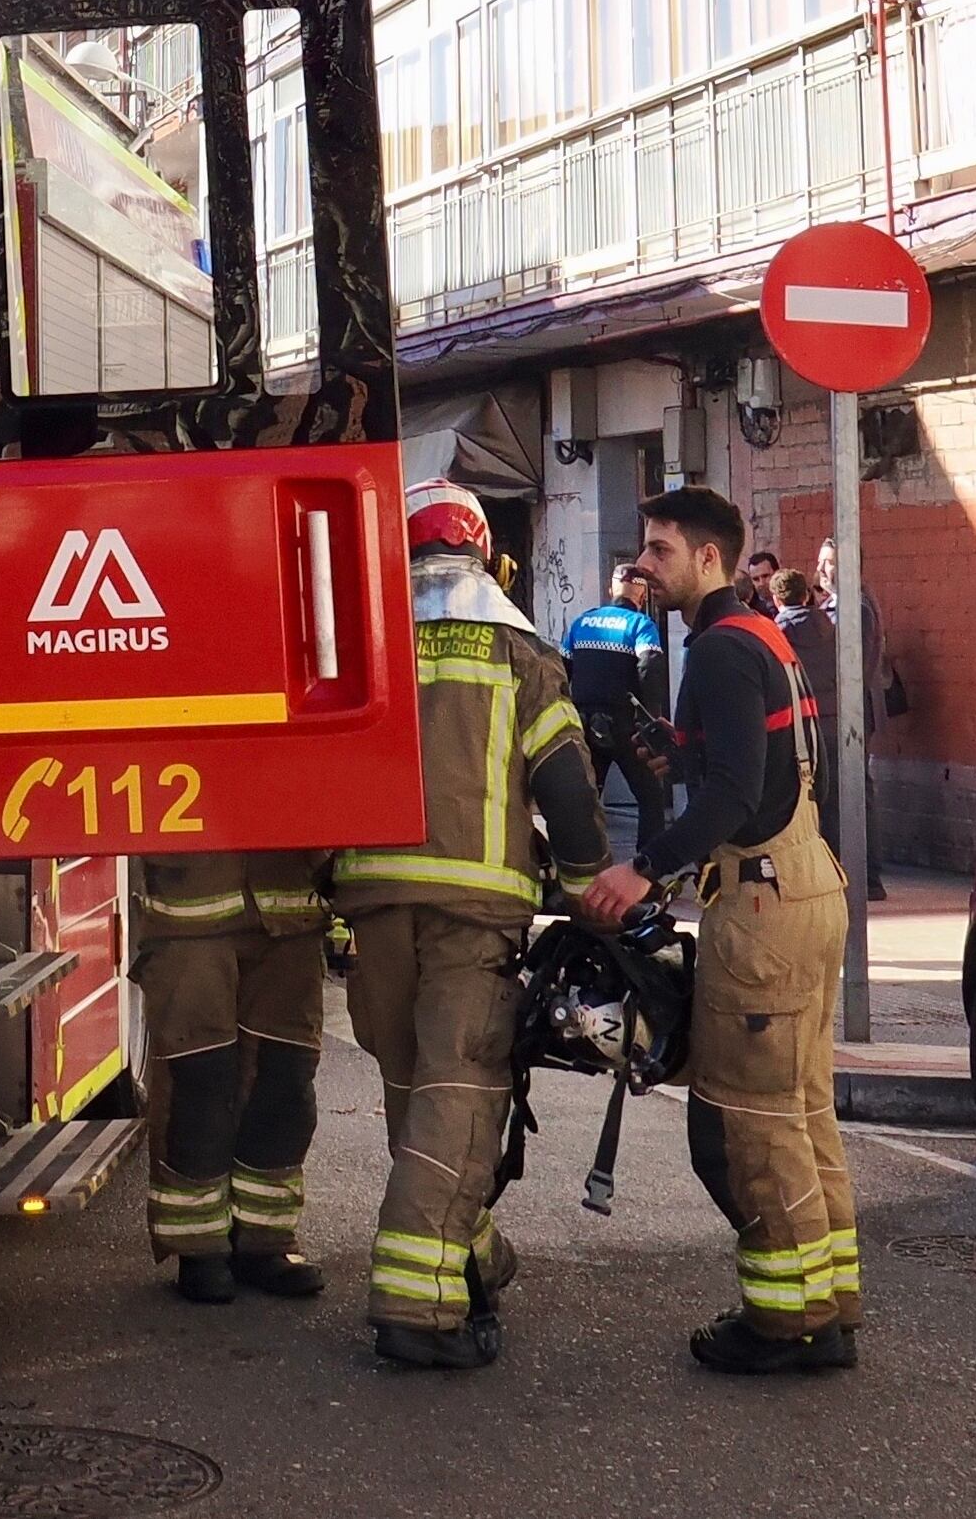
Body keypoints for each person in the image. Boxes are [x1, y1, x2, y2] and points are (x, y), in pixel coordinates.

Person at [583, 487, 860, 1376]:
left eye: (660, 550)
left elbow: (734, 795)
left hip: (764, 906)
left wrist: (643, 866)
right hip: (810, 887)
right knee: (803, 1111)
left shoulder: (719, 654)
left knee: (745, 1125)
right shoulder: (762, 640)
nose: (644, 565)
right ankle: (828, 1304)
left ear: (709, 559)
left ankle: (784, 1326)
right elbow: (738, 767)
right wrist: (641, 726)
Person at [335, 481, 611, 1370]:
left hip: (373, 903)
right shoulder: (521, 652)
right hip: (474, 912)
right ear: (489, 556)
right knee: (458, 1095)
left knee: (416, 1092)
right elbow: (567, 786)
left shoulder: (361, 644)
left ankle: (474, 1257)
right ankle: (415, 1305)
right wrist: (584, 887)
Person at [133, 848, 330, 1304]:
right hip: (190, 914)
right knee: (199, 1080)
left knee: (285, 1076)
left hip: (289, 914)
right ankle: (198, 1247)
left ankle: (265, 1241)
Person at [561, 564, 671, 846]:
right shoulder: (641, 625)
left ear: (610, 590)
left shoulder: (582, 622)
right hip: (625, 725)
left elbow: (561, 669)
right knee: (650, 797)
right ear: (642, 595)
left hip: (584, 722)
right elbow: (650, 668)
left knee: (584, 797)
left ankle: (582, 861)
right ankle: (648, 868)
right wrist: (651, 718)